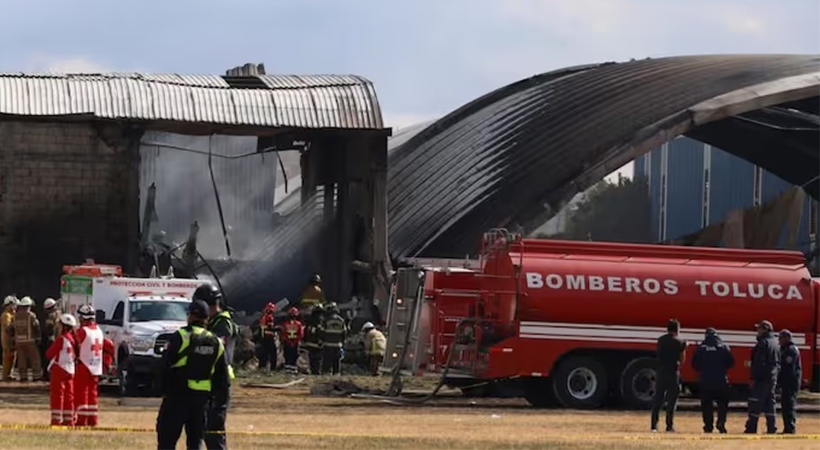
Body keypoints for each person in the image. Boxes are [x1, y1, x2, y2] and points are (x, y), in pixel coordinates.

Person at [156, 300, 230, 450]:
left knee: (166, 442)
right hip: (201, 401)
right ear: (207, 318)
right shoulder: (216, 342)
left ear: (190, 315)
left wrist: (163, 390)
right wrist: (216, 403)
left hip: (177, 398)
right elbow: (222, 378)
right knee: (195, 444)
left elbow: (164, 366)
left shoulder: (180, 336)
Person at [196, 283, 237, 450]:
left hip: (220, 381)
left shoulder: (223, 323)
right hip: (209, 380)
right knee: (206, 427)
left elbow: (215, 347)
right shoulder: (212, 321)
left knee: (214, 428)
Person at [75, 304, 114, 426]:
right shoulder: (98, 331)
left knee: (82, 393)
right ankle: (93, 420)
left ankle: (82, 420)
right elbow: (110, 346)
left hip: (83, 365)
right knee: (92, 394)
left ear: (82, 318)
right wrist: (106, 363)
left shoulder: (82, 331)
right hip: (96, 366)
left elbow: (73, 345)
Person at [692, 327, 735, 433]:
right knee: (722, 404)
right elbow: (731, 362)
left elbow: (695, 364)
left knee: (706, 405)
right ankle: (721, 422)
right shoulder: (724, 347)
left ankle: (708, 425)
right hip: (721, 381)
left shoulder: (701, 348)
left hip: (705, 381)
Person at [650, 318, 687, 433]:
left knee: (658, 400)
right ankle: (669, 425)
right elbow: (682, 359)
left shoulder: (661, 340)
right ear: (677, 329)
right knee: (672, 401)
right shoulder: (680, 342)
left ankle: (654, 425)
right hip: (672, 372)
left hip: (661, 372)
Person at [744, 320, 780, 434]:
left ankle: (751, 428)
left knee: (755, 402)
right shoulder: (776, 342)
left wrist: (754, 377)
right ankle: (772, 428)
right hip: (772, 377)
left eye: (759, 329)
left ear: (765, 330)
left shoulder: (763, 343)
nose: (757, 331)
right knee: (770, 403)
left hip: (762, 378)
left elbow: (758, 362)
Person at [46, 314, 78, 426]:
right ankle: (69, 420)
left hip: (59, 369)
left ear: (63, 326)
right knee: (69, 396)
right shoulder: (73, 339)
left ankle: (56, 420)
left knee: (57, 395)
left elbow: (49, 354)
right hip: (71, 370)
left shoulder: (61, 339)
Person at [778, 329, 801, 434]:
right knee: (785, 405)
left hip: (790, 382)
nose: (779, 340)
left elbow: (788, 368)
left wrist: (781, 380)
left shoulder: (791, 350)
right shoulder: (785, 349)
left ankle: (790, 428)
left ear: (787, 338)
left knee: (789, 405)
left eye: (781, 338)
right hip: (787, 382)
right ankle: (787, 427)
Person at [14, 297, 42, 382]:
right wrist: (38, 337)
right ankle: (36, 376)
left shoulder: (16, 315)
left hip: (18, 341)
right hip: (30, 341)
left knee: (21, 359)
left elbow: (11, 327)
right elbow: (36, 326)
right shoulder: (31, 315)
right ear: (28, 306)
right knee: (35, 359)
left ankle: (23, 376)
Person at [319, 303, 347, 375]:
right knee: (336, 362)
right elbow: (344, 333)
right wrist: (342, 342)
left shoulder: (326, 320)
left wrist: (321, 342)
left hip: (328, 345)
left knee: (327, 362)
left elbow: (321, 332)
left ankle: (326, 374)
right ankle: (336, 374)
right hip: (338, 345)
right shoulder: (341, 320)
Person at [280, 307, 304, 374]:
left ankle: (288, 368)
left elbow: (284, 334)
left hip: (287, 342)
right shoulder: (299, 324)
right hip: (295, 343)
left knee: (288, 355)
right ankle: (293, 369)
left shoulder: (285, 324)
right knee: (294, 355)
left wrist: (289, 341)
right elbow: (300, 334)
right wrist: (294, 342)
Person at [42, 298, 60, 382]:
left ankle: (47, 375)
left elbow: (49, 328)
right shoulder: (60, 314)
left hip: (52, 339)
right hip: (59, 339)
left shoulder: (51, 316)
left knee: (49, 357)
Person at [302, 304, 324, 375]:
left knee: (311, 358)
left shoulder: (309, 321)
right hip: (317, 343)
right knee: (317, 359)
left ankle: (312, 370)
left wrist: (304, 340)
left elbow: (305, 331)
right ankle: (316, 372)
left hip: (309, 343)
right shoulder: (320, 321)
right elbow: (321, 332)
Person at [257, 303, 278, 372]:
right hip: (269, 336)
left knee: (264, 353)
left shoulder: (263, 317)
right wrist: (278, 329)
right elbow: (270, 327)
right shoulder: (270, 317)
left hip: (263, 337)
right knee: (273, 353)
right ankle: (273, 368)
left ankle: (262, 366)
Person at [1, 296, 17, 381]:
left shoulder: (12, 314)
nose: (14, 306)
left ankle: (9, 374)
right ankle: (5, 375)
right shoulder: (6, 315)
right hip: (7, 340)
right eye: (13, 305)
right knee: (7, 358)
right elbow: (7, 328)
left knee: (12, 358)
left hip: (11, 339)